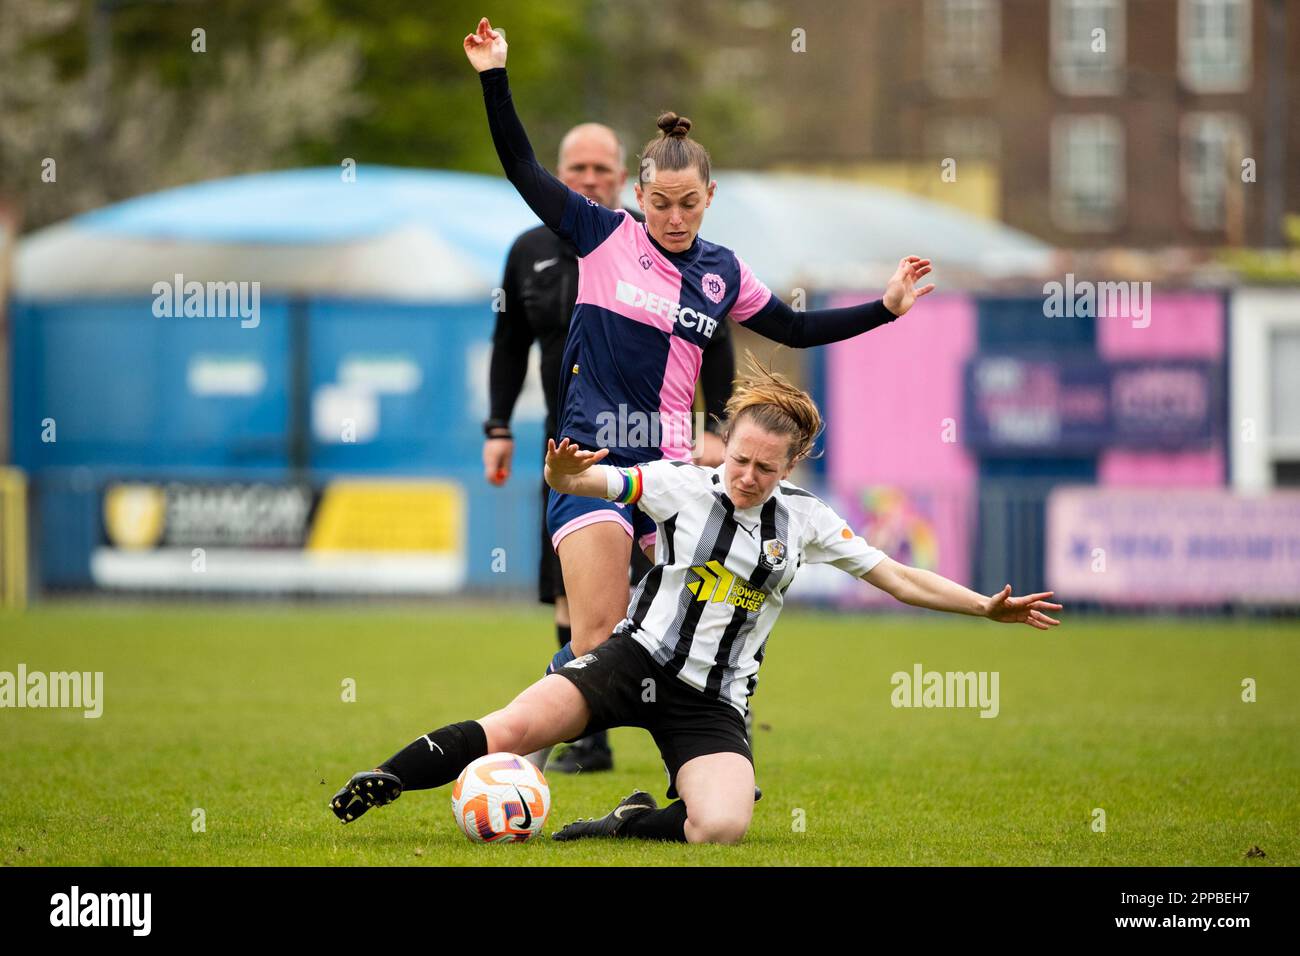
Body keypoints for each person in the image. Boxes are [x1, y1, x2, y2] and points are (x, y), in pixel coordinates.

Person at [330, 357, 1063, 844]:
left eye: (764, 467)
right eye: (739, 458)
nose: (746, 475)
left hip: (712, 699)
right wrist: (563, 474)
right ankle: (389, 777)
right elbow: (600, 486)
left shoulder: (806, 519)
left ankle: (620, 826)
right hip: (629, 659)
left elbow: (898, 576)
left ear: (791, 465)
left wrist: (982, 607)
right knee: (515, 725)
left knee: (722, 829)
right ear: (727, 446)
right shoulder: (685, 482)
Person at [462, 18, 937, 691]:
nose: (675, 218)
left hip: (671, 475)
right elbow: (520, 167)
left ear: (710, 197)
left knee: (679, 643)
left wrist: (883, 309)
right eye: (659, 204)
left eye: (689, 204)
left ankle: (687, 777)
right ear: (637, 197)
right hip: (593, 459)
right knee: (595, 637)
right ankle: (517, 753)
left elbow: (794, 330)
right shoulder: (600, 234)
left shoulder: (723, 273)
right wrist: (494, 75)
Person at [483, 119, 735, 774]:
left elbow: (713, 335)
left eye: (602, 169)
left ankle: (697, 751)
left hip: (659, 454)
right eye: (578, 170)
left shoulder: (649, 242)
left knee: (675, 603)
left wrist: (721, 429)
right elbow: (508, 344)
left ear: (626, 178)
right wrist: (498, 427)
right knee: (580, 606)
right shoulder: (529, 248)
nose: (590, 179)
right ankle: (575, 736)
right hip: (568, 445)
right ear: (562, 176)